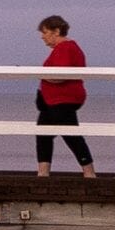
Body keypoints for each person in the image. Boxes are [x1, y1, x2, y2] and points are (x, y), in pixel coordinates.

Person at [33, 15, 96, 175]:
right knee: (43, 134)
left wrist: (40, 74)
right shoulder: (63, 49)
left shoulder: (65, 48)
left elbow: (60, 75)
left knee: (71, 135)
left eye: (45, 32)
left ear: (56, 31)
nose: (42, 36)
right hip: (52, 101)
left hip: (62, 100)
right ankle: (43, 172)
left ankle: (89, 172)